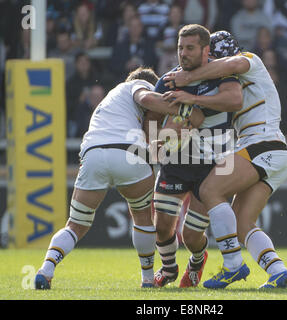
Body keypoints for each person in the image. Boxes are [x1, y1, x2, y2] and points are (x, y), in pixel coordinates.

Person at [34, 67, 204, 290]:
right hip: (128, 154)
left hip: (93, 154)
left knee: (75, 224)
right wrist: (184, 110)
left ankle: (46, 269)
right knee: (142, 218)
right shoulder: (136, 85)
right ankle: (147, 279)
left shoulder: (110, 101)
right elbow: (146, 98)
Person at [164, 30, 287, 289]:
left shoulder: (248, 60)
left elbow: (233, 64)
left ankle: (233, 264)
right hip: (274, 152)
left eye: (213, 59)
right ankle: (278, 270)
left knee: (210, 189)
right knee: (243, 222)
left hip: (261, 145)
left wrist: (188, 77)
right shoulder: (226, 84)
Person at [152, 24, 244, 288]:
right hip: (177, 162)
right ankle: (168, 269)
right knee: (162, 226)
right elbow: (153, 118)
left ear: (206, 50)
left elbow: (235, 100)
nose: (183, 53)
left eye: (190, 48)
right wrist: (158, 137)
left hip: (212, 166)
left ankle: (197, 260)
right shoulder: (169, 78)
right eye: (180, 48)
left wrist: (191, 100)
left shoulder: (222, 74)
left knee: (191, 235)